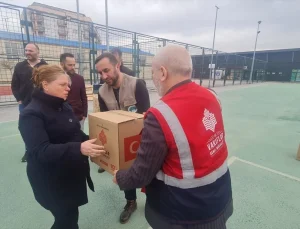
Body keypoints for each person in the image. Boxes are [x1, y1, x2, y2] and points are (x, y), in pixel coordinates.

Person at [113, 44, 233, 229]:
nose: (153, 78)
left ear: (162, 72)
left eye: (153, 72)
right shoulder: (211, 96)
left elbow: (141, 175)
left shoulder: (160, 114)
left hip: (183, 213)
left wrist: (119, 177)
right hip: (220, 199)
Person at [18, 65, 105, 229]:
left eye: (69, 85)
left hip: (68, 174)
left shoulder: (63, 105)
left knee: (70, 216)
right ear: (45, 85)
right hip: (51, 180)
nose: (68, 88)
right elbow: (39, 151)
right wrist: (79, 148)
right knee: (65, 219)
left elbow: (74, 133)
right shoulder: (31, 114)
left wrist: (92, 142)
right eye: (63, 85)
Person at [95, 52, 150, 224]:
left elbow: (145, 117)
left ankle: (155, 200)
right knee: (125, 172)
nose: (104, 76)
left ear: (117, 65)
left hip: (142, 137)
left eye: (107, 71)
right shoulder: (102, 92)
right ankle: (131, 202)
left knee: (150, 170)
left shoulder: (136, 84)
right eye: (100, 73)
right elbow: (107, 120)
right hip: (121, 140)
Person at [11, 43, 47, 163]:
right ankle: (29, 150)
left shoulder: (45, 66)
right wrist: (18, 98)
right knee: (26, 128)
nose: (27, 52)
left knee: (44, 126)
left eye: (30, 50)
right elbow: (14, 84)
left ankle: (45, 148)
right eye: (26, 50)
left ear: (37, 51)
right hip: (25, 104)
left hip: (42, 103)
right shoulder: (20, 66)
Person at [60, 53, 88, 131]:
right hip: (63, 116)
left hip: (78, 115)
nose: (73, 67)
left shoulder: (80, 79)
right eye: (70, 65)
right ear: (62, 64)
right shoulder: (56, 80)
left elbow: (84, 97)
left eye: (74, 65)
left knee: (79, 137)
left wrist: (85, 114)